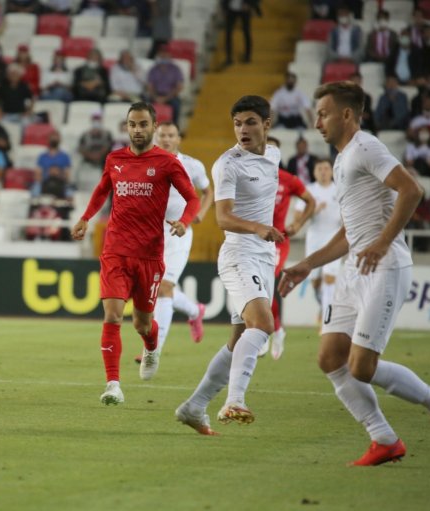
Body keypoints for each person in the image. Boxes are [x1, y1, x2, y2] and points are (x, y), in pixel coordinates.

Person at [279, 81, 430, 465]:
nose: (317, 121)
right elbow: (350, 232)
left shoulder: (366, 147)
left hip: (384, 265)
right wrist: (307, 264)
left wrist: (383, 242)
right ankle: (383, 438)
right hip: (354, 269)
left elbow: (412, 190)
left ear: (347, 114)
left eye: (323, 113)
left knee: (361, 366)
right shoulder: (341, 158)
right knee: (330, 356)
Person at [71, 102, 200, 405]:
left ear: (154, 127)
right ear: (126, 127)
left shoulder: (167, 162)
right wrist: (86, 218)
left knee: (143, 324)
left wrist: (184, 221)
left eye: (143, 124)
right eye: (132, 124)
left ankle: (151, 347)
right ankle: (113, 384)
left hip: (150, 256)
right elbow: (103, 190)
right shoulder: (115, 159)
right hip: (115, 250)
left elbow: (192, 198)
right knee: (112, 315)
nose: (137, 130)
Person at [175, 95, 283, 434]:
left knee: (239, 342)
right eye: (237, 124)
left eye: (250, 122)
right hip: (239, 255)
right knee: (263, 324)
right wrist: (258, 228)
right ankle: (235, 400)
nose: (242, 130)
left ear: (267, 124)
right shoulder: (227, 164)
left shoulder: (275, 154)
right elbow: (222, 217)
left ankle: (193, 407)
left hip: (265, 258)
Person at [134, 121, 213, 377]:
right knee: (152, 290)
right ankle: (194, 309)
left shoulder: (192, 165)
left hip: (178, 233)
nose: (166, 139)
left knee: (164, 287)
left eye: (171, 135)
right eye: (162, 135)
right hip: (151, 234)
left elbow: (207, 190)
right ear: (155, 137)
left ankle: (153, 350)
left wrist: (200, 213)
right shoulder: (147, 162)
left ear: (178, 138)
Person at [258, 137, 315, 359]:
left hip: (277, 241)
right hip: (253, 239)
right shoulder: (250, 177)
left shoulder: (288, 180)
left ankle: (265, 333)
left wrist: (298, 224)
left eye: (272, 149)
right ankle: (278, 330)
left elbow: (311, 201)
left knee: (265, 285)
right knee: (258, 289)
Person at [293, 159, 341, 322]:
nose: (323, 171)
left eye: (326, 168)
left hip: (334, 238)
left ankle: (328, 319)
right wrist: (312, 210)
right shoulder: (309, 191)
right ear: (314, 173)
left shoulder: (340, 190)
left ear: (332, 171)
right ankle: (323, 307)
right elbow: (297, 217)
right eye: (319, 168)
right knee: (315, 281)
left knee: (329, 277)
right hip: (314, 238)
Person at [145, 45, 184, 125]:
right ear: (158, 55)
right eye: (161, 54)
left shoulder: (175, 69)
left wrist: (165, 98)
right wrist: (156, 97)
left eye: (165, 54)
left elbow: (179, 87)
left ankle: (174, 127)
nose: (163, 56)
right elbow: (150, 86)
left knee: (176, 105)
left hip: (170, 95)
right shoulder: (153, 69)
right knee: (144, 106)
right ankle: (148, 127)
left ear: (169, 55)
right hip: (156, 94)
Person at [222, 0, 261, 65]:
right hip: (231, 9)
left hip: (244, 9)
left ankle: (247, 56)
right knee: (228, 33)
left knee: (246, 32)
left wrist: (249, 4)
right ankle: (228, 58)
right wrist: (224, 7)